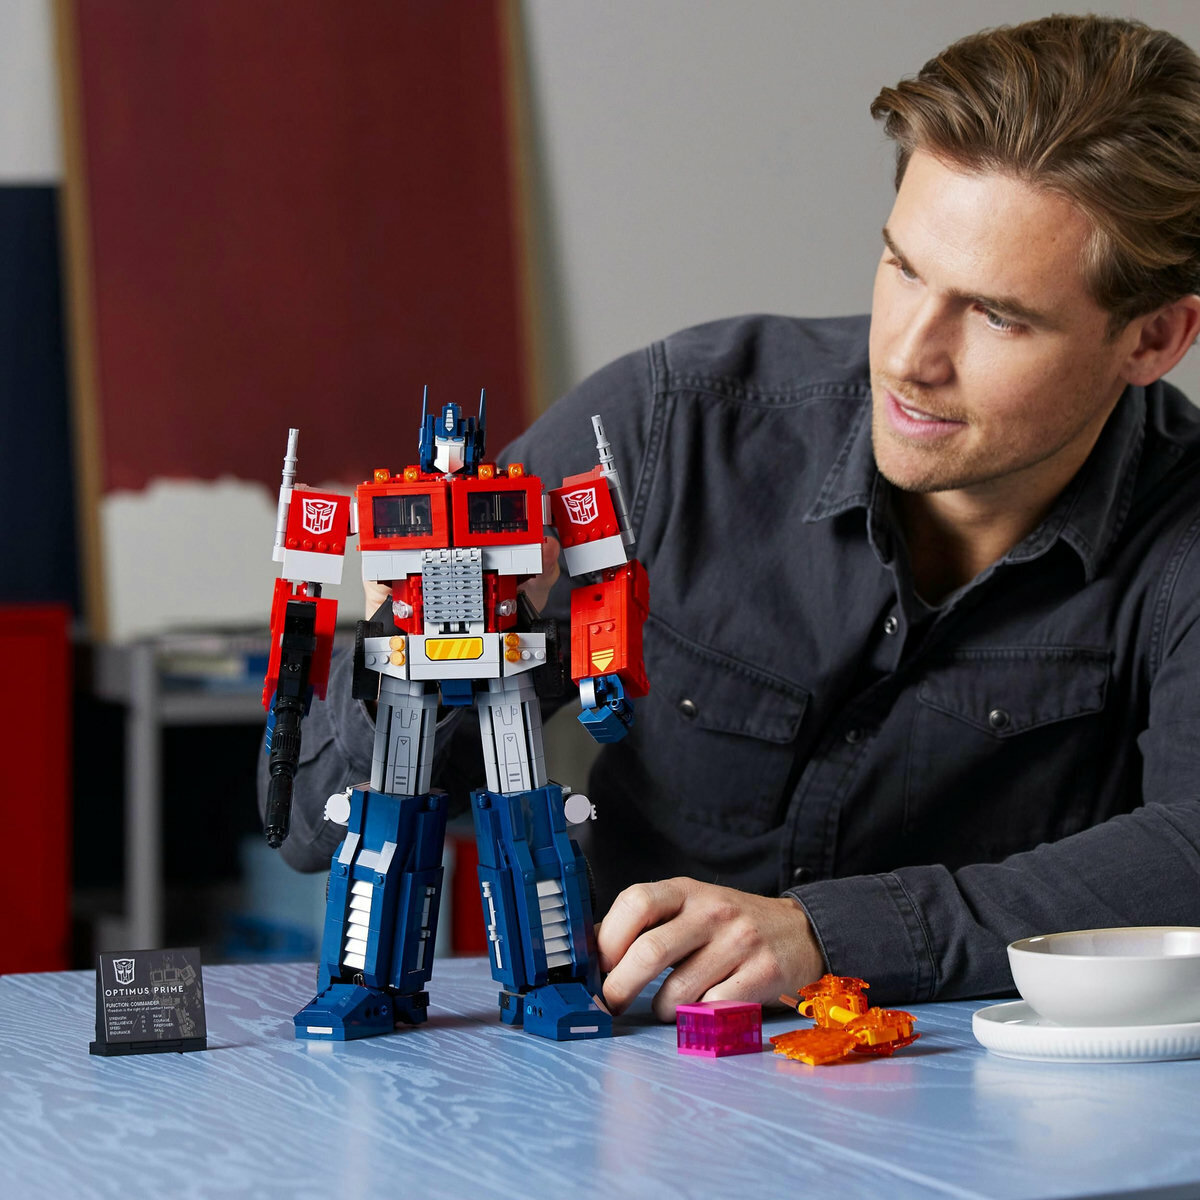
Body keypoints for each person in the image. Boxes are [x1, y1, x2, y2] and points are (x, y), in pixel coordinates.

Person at [260, 14, 1200, 1021]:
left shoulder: (1183, 532)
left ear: (1154, 339)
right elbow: (312, 826)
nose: (908, 357)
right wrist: (424, 636)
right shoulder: (669, 430)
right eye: (903, 268)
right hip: (622, 1074)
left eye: (998, 315)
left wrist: (829, 936)